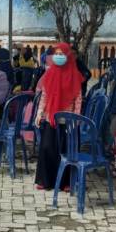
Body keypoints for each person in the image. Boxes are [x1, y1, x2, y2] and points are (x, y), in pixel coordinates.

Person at [33, 43, 84, 190]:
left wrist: (76, 118)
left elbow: (78, 99)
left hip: (69, 120)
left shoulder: (74, 75)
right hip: (51, 117)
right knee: (47, 147)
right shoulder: (50, 73)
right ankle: (45, 181)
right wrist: (39, 113)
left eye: (62, 54)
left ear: (68, 56)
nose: (58, 57)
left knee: (67, 151)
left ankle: (66, 182)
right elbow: (44, 95)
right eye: (56, 54)